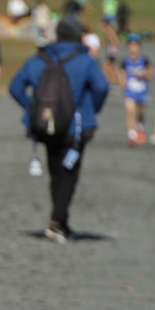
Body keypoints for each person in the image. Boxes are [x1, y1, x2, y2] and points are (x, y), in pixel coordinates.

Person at [9, 18, 109, 243]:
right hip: (77, 126)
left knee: (55, 173)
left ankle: (61, 222)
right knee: (69, 175)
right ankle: (56, 222)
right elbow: (102, 86)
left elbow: (15, 87)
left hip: (46, 126)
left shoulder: (38, 59)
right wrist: (92, 108)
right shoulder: (85, 60)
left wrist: (32, 108)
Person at [119, 33, 153, 146]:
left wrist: (143, 74)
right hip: (130, 91)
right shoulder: (125, 61)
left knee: (141, 113)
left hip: (142, 91)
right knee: (130, 110)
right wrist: (123, 81)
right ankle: (132, 135)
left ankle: (140, 127)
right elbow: (121, 74)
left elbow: (150, 73)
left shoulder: (144, 60)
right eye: (131, 45)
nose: (133, 48)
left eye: (135, 45)